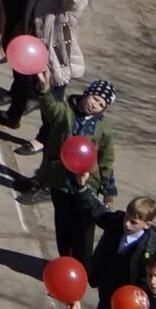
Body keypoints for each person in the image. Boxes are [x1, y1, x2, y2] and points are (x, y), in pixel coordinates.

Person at [26, 77, 119, 257]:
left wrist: (108, 193)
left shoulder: (104, 129)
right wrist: (45, 89)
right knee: (63, 226)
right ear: (87, 94)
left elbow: (106, 162)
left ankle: (82, 267)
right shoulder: (65, 112)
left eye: (101, 104)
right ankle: (65, 263)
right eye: (94, 98)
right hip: (60, 182)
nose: (95, 105)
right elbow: (50, 107)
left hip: (86, 186)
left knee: (84, 229)